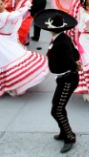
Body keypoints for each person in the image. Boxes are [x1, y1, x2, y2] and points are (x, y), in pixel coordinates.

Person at [35, 9, 81, 154]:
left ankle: (69, 137)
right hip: (63, 78)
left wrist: (74, 66)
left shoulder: (61, 41)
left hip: (68, 79)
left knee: (57, 110)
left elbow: (71, 57)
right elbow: (76, 53)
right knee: (57, 107)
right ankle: (63, 132)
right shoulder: (61, 38)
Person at [0, 0, 49, 96]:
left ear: (4, 3)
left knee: (15, 59)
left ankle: (16, 83)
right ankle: (11, 84)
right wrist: (25, 7)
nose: (0, 7)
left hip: (8, 39)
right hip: (2, 42)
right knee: (10, 60)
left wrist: (16, 40)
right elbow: (13, 16)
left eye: (1, 4)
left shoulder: (4, 13)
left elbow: (14, 19)